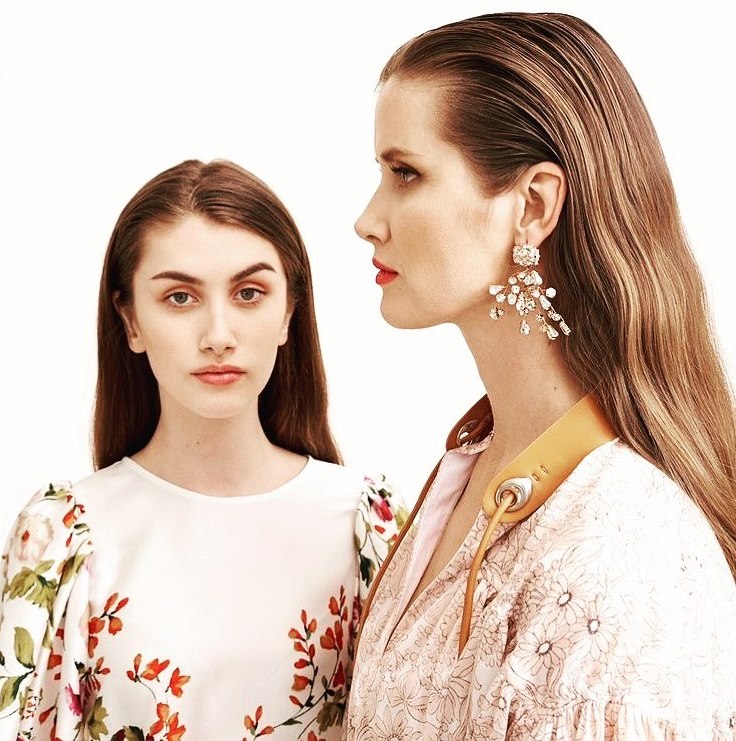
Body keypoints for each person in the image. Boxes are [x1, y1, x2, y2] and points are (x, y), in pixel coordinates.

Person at [346, 12, 736, 739]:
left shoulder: (627, 555)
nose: (368, 220)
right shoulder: (467, 469)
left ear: (532, 206)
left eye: (405, 173)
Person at [0, 159, 405, 740]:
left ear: (289, 313)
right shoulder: (60, 537)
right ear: (130, 321)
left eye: (249, 293)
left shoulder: (369, 526)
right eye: (180, 297)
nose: (218, 335)